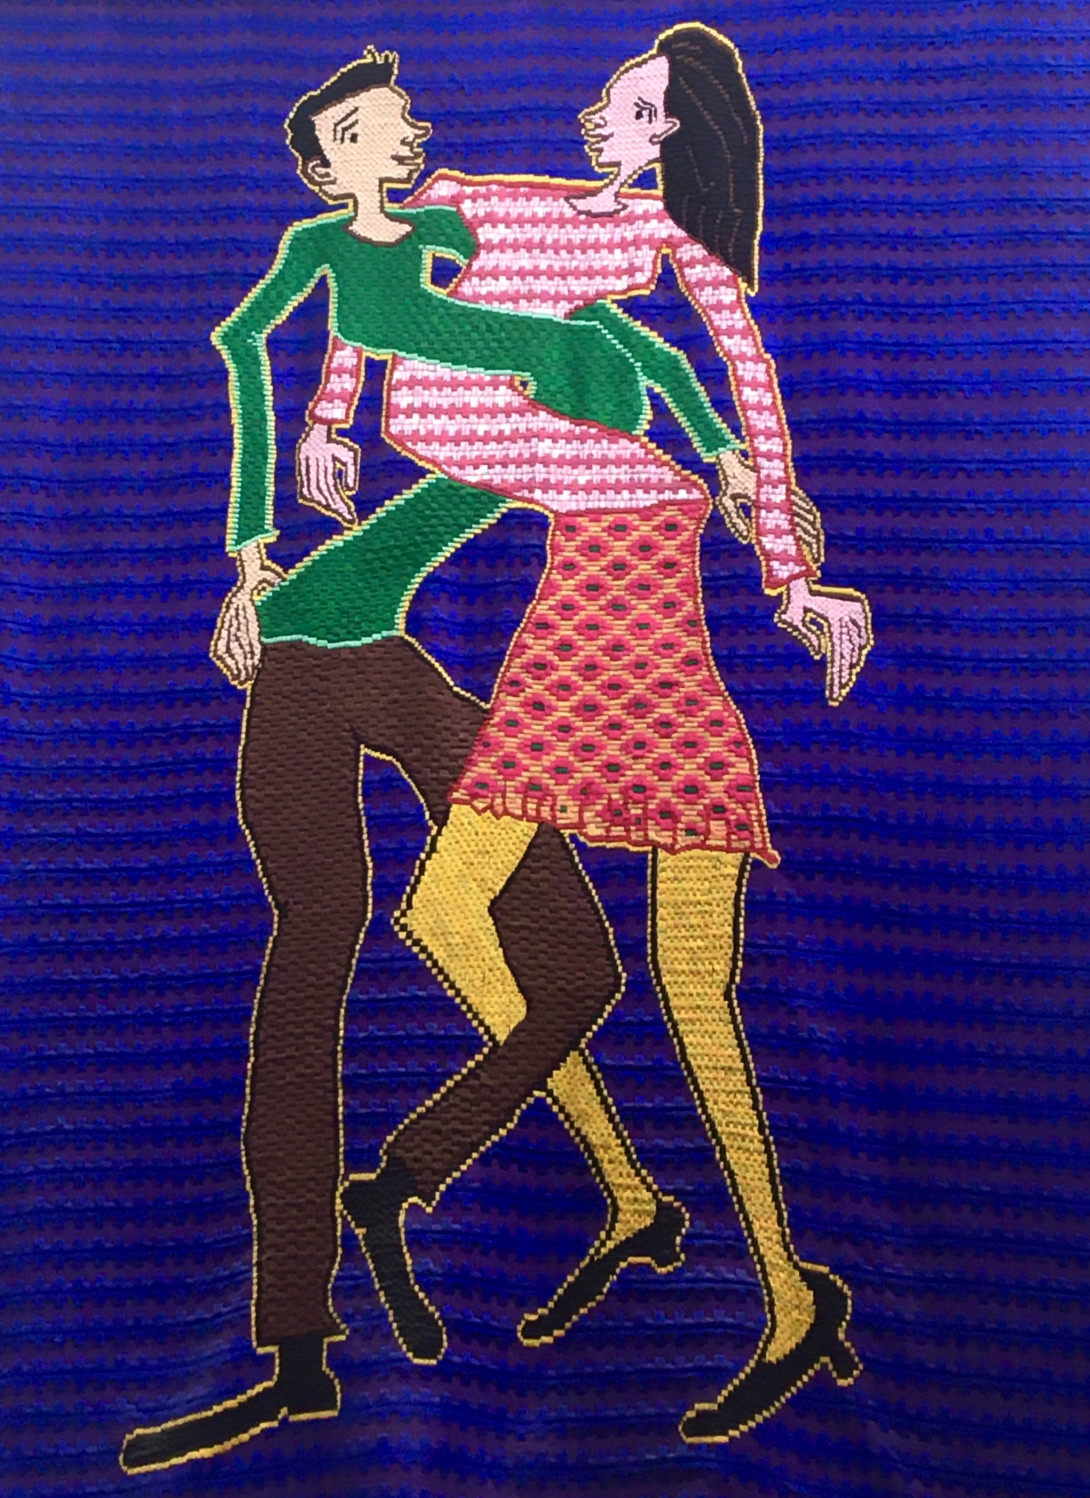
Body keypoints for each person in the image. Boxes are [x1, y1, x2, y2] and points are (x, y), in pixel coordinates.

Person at [120, 45, 768, 1473]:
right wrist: (253, 542)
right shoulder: (354, 261)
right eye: (378, 122)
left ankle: (408, 1179)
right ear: (327, 163)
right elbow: (248, 344)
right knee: (318, 950)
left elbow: (635, 349)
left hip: (395, 649)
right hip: (301, 646)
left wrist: (717, 450)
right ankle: (296, 1348)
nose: (410, 130)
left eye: (404, 116)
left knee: (578, 970)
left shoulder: (497, 290)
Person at [309, 24, 870, 1443]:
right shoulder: (498, 204)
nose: (596, 110)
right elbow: (368, 270)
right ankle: (628, 1193)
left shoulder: (667, 251)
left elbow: (752, 386)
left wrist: (791, 580)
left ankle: (788, 1295)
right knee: (447, 914)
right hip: (585, 583)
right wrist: (327, 413)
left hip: (636, 567)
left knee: (693, 989)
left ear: (669, 132)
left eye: (626, 101)